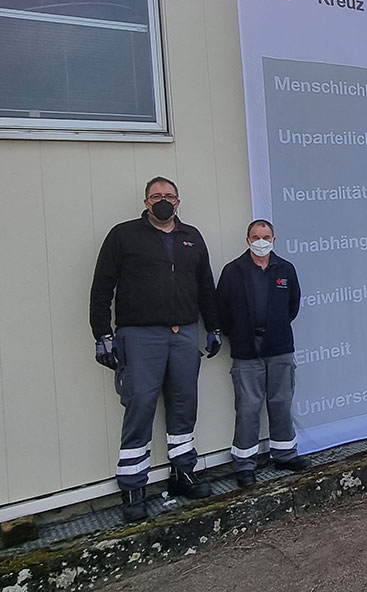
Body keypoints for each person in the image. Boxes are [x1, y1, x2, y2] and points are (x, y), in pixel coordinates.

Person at [90, 176, 222, 522]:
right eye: (156, 196)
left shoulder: (191, 236)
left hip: (184, 334)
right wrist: (102, 333)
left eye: (169, 196)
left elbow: (205, 286)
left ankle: (183, 472)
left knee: (184, 403)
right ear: (146, 202)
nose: (163, 200)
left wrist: (214, 327)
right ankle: (133, 486)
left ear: (178, 201)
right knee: (141, 404)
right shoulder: (123, 235)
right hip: (140, 335)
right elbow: (102, 286)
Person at [215, 220, 308, 487]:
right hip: (246, 348)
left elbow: (292, 306)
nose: (261, 241)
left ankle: (285, 454)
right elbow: (222, 309)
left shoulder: (285, 269)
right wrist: (240, 333)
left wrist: (275, 327)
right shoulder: (233, 271)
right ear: (247, 240)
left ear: (274, 239)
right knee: (247, 407)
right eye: (255, 237)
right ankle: (245, 464)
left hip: (279, 346)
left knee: (281, 401)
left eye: (266, 237)